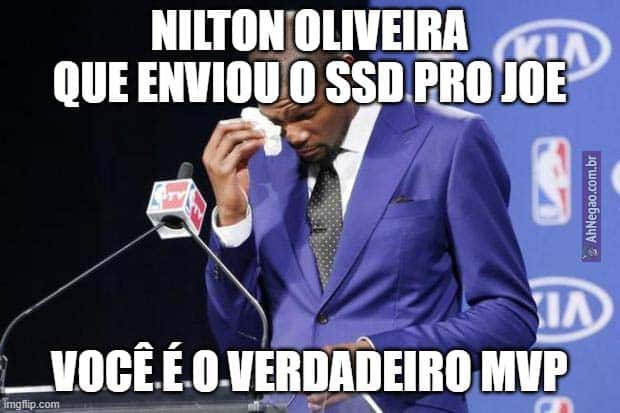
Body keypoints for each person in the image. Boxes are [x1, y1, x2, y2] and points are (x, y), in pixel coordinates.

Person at [201, 21, 538, 413]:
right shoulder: (260, 161)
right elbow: (240, 342)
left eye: (305, 113)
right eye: (277, 122)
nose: (293, 135)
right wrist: (233, 219)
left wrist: (380, 358)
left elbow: (509, 314)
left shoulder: (449, 140)